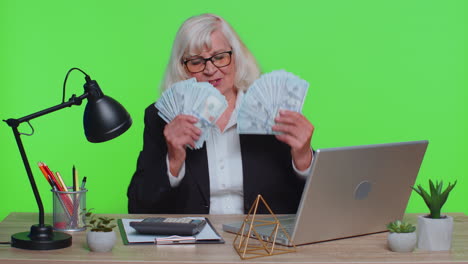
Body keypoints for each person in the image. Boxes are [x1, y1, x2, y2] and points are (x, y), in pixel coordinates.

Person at [127, 14, 314, 214]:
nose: (210, 69)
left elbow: (307, 204)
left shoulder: (273, 109)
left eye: (219, 57)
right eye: (196, 61)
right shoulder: (162, 118)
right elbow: (138, 206)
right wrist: (173, 161)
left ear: (236, 57)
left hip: (259, 241)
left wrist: (303, 158)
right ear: (182, 68)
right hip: (193, 240)